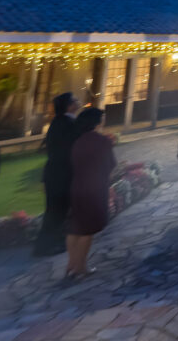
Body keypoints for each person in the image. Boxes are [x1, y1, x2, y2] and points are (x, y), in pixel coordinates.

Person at [66, 107, 115, 278]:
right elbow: (110, 165)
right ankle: (81, 266)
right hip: (94, 187)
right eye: (102, 118)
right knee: (87, 229)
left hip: (77, 185)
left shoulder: (77, 139)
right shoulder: (102, 141)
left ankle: (71, 263)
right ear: (97, 121)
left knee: (75, 226)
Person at [33, 92, 80, 256]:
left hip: (58, 173)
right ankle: (44, 247)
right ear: (68, 106)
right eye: (74, 101)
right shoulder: (65, 124)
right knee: (55, 212)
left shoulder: (62, 122)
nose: (78, 102)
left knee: (59, 211)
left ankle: (54, 242)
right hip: (60, 175)